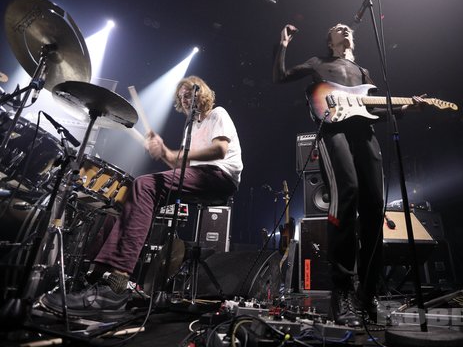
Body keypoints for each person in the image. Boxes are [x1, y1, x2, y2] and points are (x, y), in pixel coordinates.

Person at [40, 76, 243, 317]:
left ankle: (118, 282)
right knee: (129, 196)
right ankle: (98, 273)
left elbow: (220, 150)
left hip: (220, 177)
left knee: (144, 185)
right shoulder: (190, 127)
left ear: (202, 92)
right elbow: (177, 165)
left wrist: (173, 152)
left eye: (188, 93)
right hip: (196, 174)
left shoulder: (217, 114)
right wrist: (162, 151)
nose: (185, 99)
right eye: (181, 97)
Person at [274, 23, 423, 326]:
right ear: (329, 41)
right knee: (348, 192)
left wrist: (404, 107)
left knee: (372, 208)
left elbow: (372, 110)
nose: (343, 27)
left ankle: (367, 295)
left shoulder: (364, 73)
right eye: (336, 28)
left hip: (365, 137)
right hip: (333, 132)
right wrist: (283, 45)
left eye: (346, 26)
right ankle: (341, 291)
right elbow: (281, 76)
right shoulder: (319, 63)